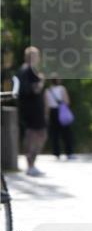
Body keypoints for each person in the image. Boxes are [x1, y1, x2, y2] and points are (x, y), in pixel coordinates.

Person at [16, 47, 47, 176]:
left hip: (32, 108)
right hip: (32, 109)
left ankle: (31, 164)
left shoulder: (27, 69)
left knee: (37, 134)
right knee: (35, 135)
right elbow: (31, 89)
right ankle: (30, 164)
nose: (38, 58)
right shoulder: (27, 70)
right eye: (36, 55)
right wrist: (41, 82)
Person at [44, 74, 75, 160]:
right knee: (66, 133)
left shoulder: (47, 90)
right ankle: (69, 153)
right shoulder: (62, 89)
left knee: (54, 134)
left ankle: (56, 153)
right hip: (61, 111)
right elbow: (67, 101)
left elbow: (47, 106)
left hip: (52, 113)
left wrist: (46, 115)